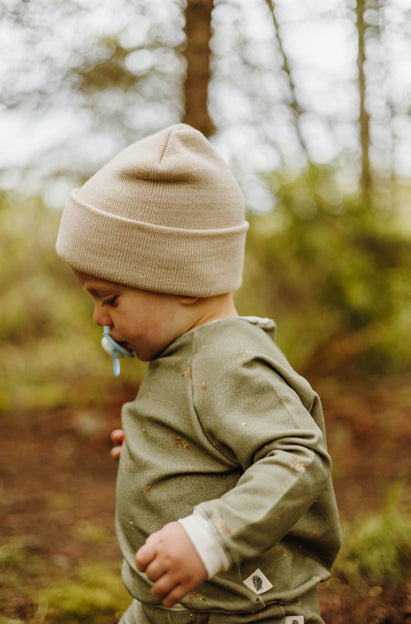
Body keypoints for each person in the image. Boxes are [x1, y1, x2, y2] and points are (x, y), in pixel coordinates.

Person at [56, 123, 341, 624]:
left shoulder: (231, 359)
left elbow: (299, 458)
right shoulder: (185, 350)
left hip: (247, 609)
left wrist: (211, 535)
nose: (99, 318)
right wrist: (162, 450)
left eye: (109, 297)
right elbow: (215, 433)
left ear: (182, 280)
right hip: (169, 604)